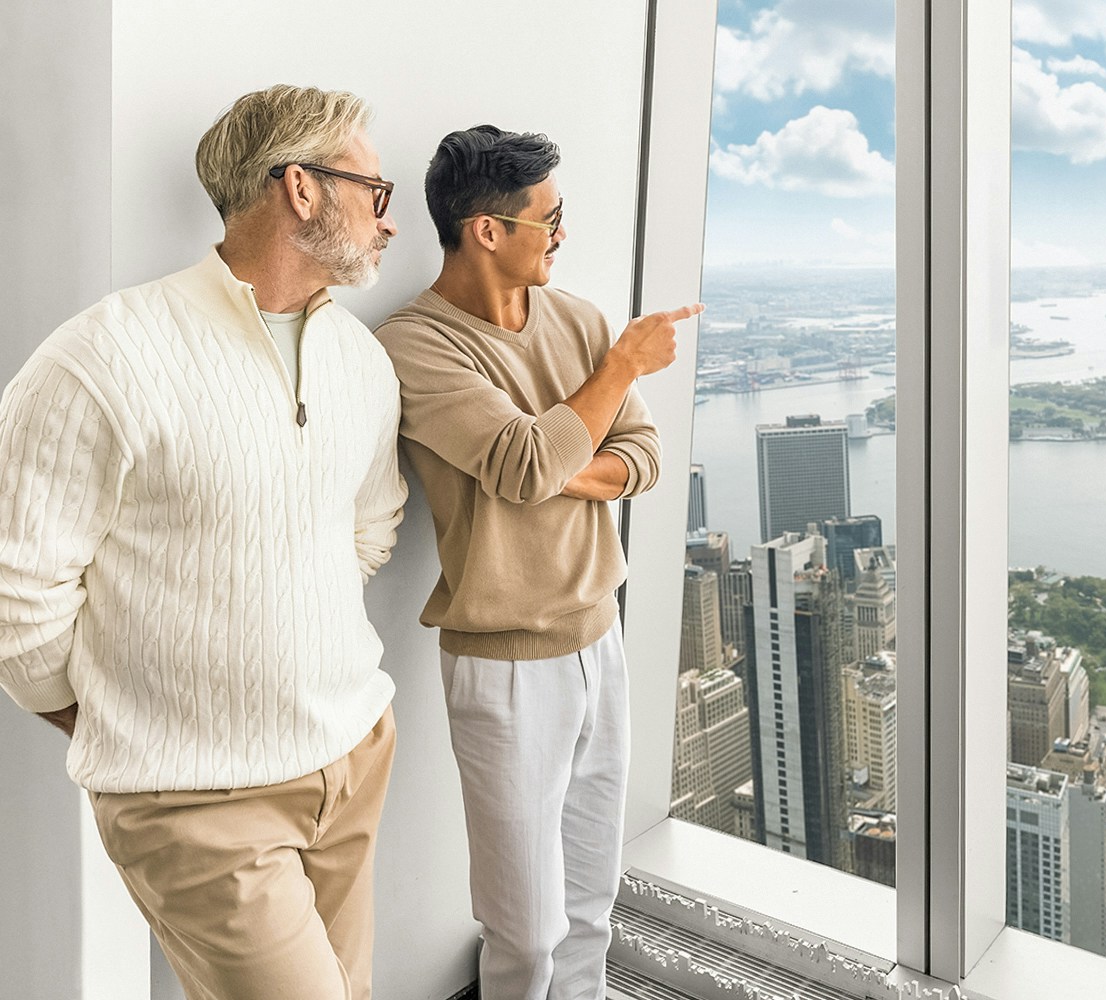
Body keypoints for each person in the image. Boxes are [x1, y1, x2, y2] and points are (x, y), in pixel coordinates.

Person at [0, 84, 407, 1000]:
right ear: (301, 189)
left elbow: (370, 523)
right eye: (374, 193)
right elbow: (16, 592)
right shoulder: (103, 357)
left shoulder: (361, 360)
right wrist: (116, 722)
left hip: (350, 754)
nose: (390, 221)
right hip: (194, 799)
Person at [375, 125, 699, 1000]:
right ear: (487, 229)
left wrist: (558, 460)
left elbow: (642, 455)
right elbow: (521, 465)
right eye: (549, 218)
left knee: (592, 900)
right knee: (524, 927)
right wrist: (619, 371)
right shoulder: (418, 346)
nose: (563, 233)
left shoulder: (579, 318)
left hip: (601, 640)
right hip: (505, 665)